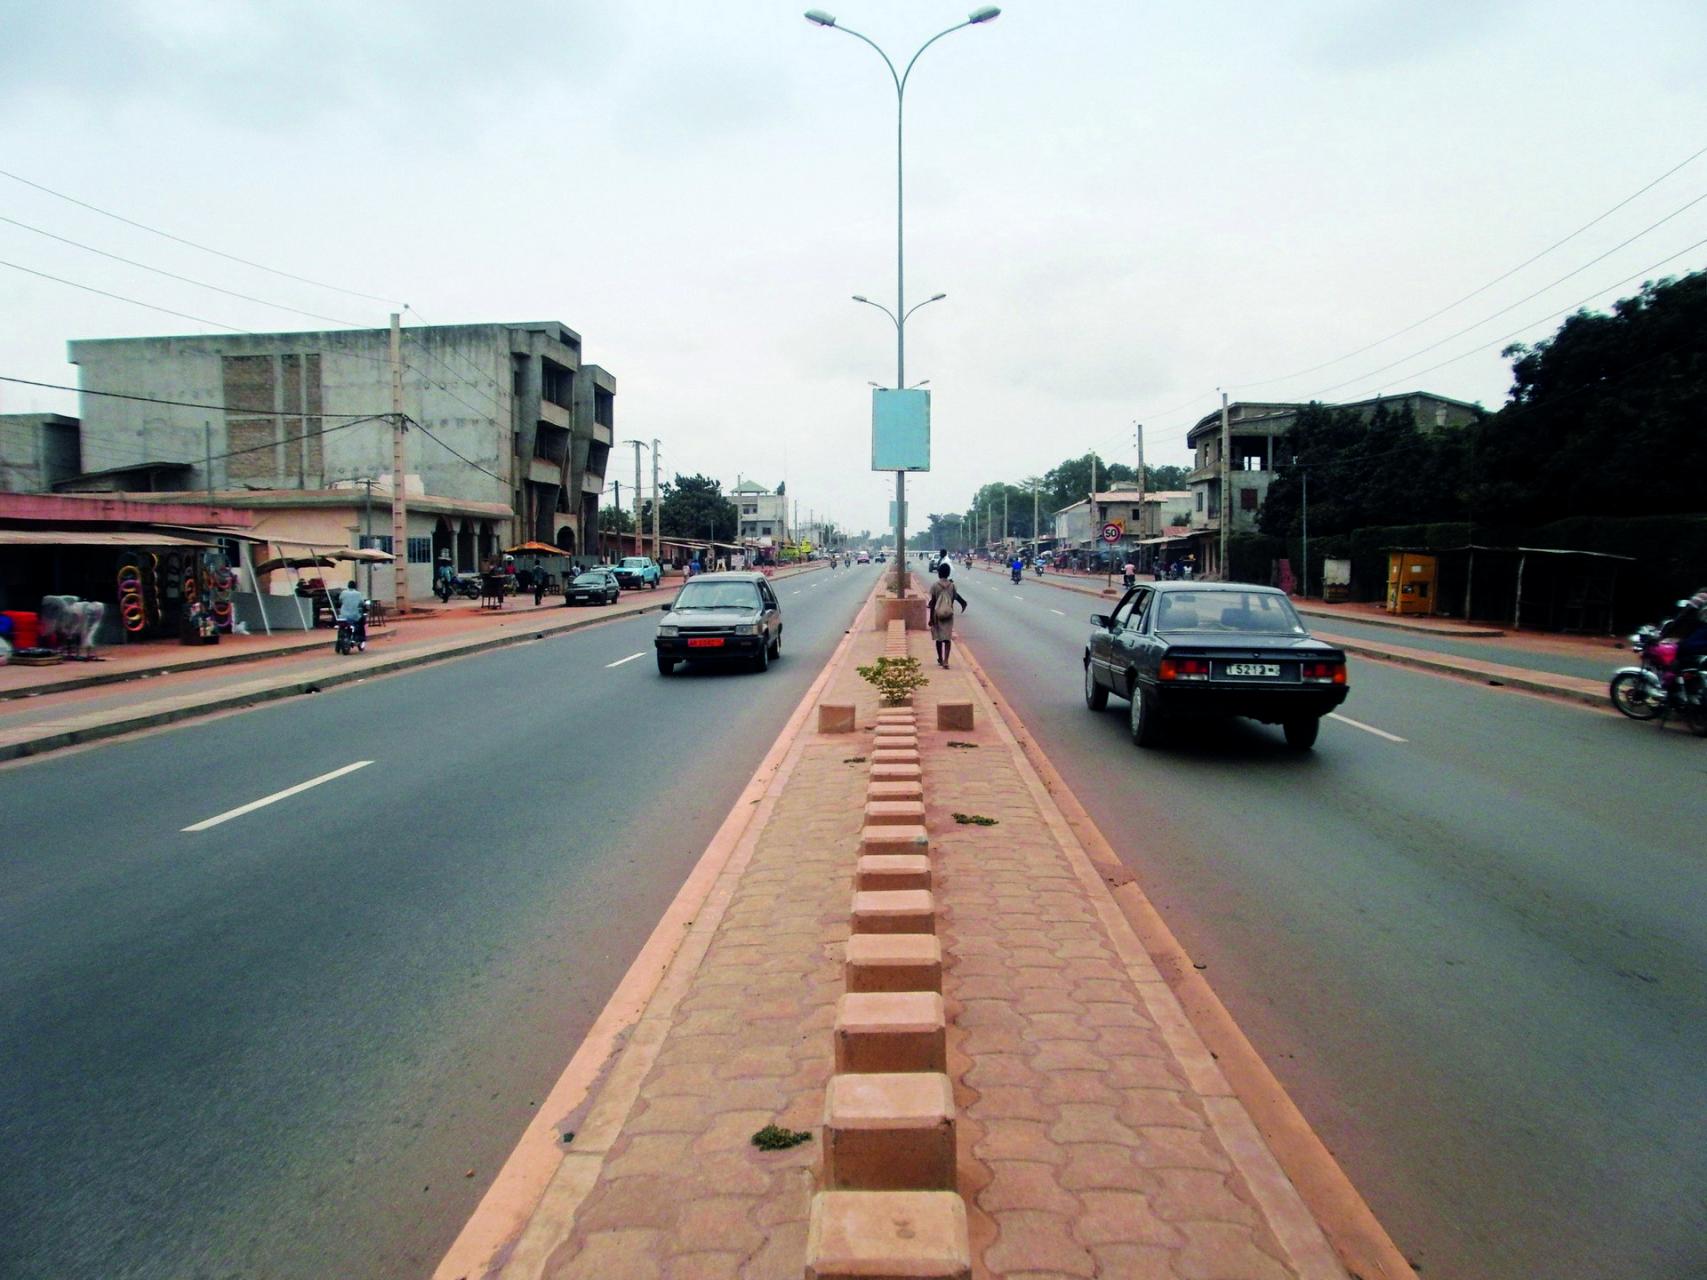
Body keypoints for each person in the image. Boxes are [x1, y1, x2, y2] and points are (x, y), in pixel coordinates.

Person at [928, 562, 968, 668]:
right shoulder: (952, 586)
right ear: (948, 573)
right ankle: (946, 660)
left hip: (937, 614)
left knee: (939, 638)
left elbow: (932, 603)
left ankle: (940, 659)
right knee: (947, 638)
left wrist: (931, 618)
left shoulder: (935, 586)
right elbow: (953, 599)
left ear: (939, 573)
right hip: (949, 615)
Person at [336, 579, 367, 651]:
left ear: (348, 586)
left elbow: (340, 601)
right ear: (355, 586)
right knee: (361, 622)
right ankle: (360, 638)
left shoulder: (343, 593)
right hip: (354, 616)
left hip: (343, 616)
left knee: (340, 627)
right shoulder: (358, 594)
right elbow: (362, 603)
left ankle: (339, 643)